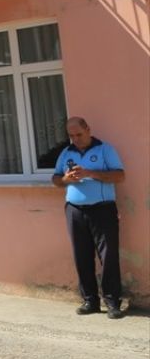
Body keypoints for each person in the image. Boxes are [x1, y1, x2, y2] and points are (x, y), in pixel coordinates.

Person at [51, 117, 126, 319]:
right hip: (75, 210)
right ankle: (90, 301)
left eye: (79, 134)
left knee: (108, 256)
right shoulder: (66, 152)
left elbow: (120, 176)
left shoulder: (104, 149)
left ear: (88, 130)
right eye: (71, 136)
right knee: (81, 256)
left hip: (102, 209)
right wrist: (66, 179)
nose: (75, 139)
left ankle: (112, 302)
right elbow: (56, 179)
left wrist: (90, 173)